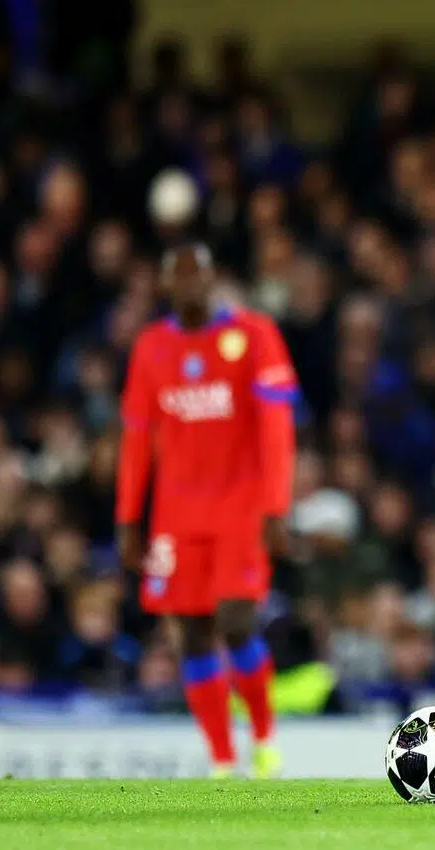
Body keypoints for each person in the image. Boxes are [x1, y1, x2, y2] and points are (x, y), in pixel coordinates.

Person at [116, 244, 298, 778]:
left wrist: (274, 506)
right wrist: (128, 519)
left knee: (236, 623)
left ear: (213, 277)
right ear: (166, 284)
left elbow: (276, 427)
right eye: (179, 276)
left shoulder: (254, 334)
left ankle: (264, 739)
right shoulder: (151, 347)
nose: (190, 284)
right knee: (192, 634)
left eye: (199, 274)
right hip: (175, 516)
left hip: (240, 508)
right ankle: (221, 759)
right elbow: (135, 440)